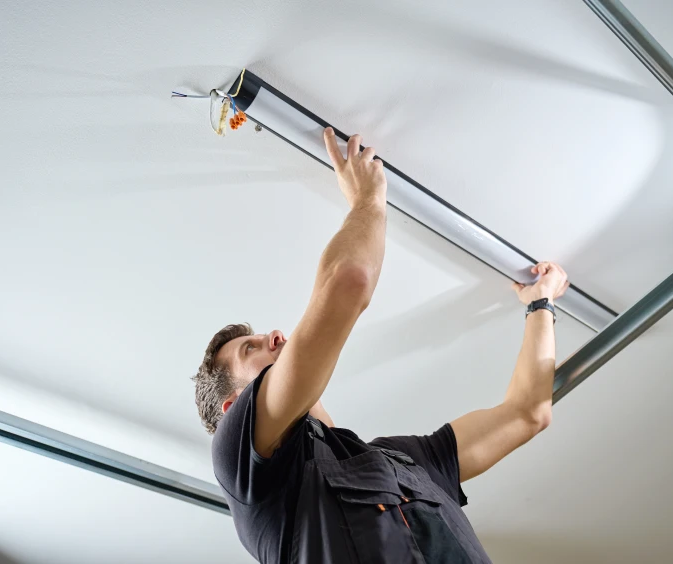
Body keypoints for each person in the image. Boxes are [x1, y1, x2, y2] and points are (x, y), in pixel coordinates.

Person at [193, 127, 570, 563]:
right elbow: (349, 281)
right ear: (234, 408)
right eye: (251, 349)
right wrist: (367, 199)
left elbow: (528, 413)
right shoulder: (242, 466)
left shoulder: (407, 459)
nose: (275, 335)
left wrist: (540, 303)